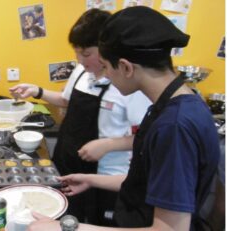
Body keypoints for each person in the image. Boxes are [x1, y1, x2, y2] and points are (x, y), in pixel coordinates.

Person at [27, 6, 220, 231]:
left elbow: (170, 229)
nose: (106, 75)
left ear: (126, 67)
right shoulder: (176, 104)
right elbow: (146, 182)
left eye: (107, 67)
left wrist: (67, 228)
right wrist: (91, 180)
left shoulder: (174, 126)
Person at [10, 8, 150, 225]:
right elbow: (66, 100)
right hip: (66, 166)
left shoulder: (127, 83)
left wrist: (108, 144)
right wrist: (37, 91)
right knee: (65, 220)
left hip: (104, 177)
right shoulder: (81, 72)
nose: (80, 59)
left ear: (106, 49)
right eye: (76, 52)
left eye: (86, 54)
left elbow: (147, 137)